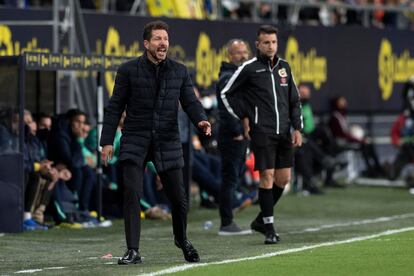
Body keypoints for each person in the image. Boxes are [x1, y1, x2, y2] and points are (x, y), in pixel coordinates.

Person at [100, 20, 211, 264]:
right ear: (146, 43)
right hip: (135, 139)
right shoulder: (128, 70)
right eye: (158, 39)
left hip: (167, 140)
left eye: (166, 39)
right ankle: (133, 250)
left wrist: (201, 120)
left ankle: (181, 239)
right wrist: (107, 141)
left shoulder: (179, 71)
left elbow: (190, 102)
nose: (163, 43)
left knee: (178, 199)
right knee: (131, 193)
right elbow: (114, 107)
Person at [221, 25, 303, 244]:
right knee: (267, 177)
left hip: (284, 132)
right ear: (257, 44)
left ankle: (259, 220)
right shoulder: (249, 68)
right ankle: (269, 229)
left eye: (274, 42)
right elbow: (226, 93)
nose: (271, 46)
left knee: (283, 179)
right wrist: (245, 116)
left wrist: (297, 128)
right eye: (266, 42)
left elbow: (294, 101)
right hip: (262, 132)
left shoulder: (284, 67)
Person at [216, 39, 252, 235]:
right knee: (229, 179)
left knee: (234, 178)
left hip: (241, 134)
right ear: (229, 55)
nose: (243, 55)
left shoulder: (240, 75)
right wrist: (238, 131)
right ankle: (226, 223)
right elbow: (226, 109)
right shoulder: (228, 77)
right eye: (238, 52)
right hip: (232, 136)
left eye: (245, 52)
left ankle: (229, 217)